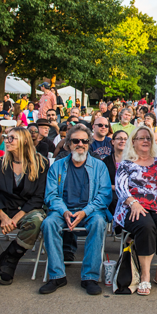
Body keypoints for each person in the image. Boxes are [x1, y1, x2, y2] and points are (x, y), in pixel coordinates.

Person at [0, 127, 47, 287]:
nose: (7, 140)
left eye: (12, 138)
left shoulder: (40, 163)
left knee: (38, 220)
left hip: (26, 209)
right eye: (6, 137)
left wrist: (16, 218)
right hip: (1, 208)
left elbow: (38, 197)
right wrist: (4, 218)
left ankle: (10, 257)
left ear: (24, 141)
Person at [40, 124, 111, 295]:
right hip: (62, 210)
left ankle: (90, 277)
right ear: (68, 144)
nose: (80, 144)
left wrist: (85, 212)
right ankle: (57, 275)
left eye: (84, 141)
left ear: (89, 143)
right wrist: (64, 211)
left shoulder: (99, 166)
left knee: (99, 222)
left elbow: (104, 196)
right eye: (75, 141)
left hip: (90, 211)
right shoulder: (57, 167)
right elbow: (50, 195)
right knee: (48, 223)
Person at [113, 126, 157, 295]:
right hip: (132, 207)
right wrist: (133, 203)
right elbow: (121, 188)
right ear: (133, 142)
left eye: (148, 138)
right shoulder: (126, 164)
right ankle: (145, 275)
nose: (146, 141)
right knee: (145, 225)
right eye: (141, 138)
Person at [102, 130, 127, 219]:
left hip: (129, 191)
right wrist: (116, 187)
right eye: (119, 138)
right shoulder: (106, 161)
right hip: (112, 191)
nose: (122, 141)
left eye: (125, 139)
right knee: (114, 199)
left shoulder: (133, 160)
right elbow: (103, 182)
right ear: (113, 142)